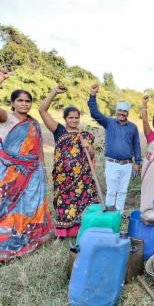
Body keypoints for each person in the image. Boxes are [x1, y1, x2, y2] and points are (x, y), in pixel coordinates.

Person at [0, 71, 52, 261]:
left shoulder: (33, 123)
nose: (24, 104)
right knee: (8, 207)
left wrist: (43, 169)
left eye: (27, 101)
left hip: (33, 171)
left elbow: (38, 148)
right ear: (13, 102)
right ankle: (8, 240)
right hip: (10, 172)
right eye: (20, 100)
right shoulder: (6, 118)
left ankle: (30, 237)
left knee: (31, 204)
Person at [38, 85, 98, 238]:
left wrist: (88, 147)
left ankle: (81, 230)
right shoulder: (59, 130)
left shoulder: (85, 135)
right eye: (70, 117)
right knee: (64, 203)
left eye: (77, 117)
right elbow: (42, 110)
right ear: (65, 119)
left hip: (83, 179)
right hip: (63, 178)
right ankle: (62, 233)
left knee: (83, 202)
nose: (74, 120)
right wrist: (54, 92)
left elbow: (91, 156)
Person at [88, 84, 141, 213]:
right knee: (112, 191)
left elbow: (136, 145)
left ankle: (119, 213)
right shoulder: (109, 122)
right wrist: (93, 96)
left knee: (123, 191)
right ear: (116, 111)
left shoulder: (133, 127)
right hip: (112, 163)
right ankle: (110, 214)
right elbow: (95, 113)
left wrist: (138, 162)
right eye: (120, 111)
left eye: (124, 111)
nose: (122, 113)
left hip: (127, 164)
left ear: (127, 113)